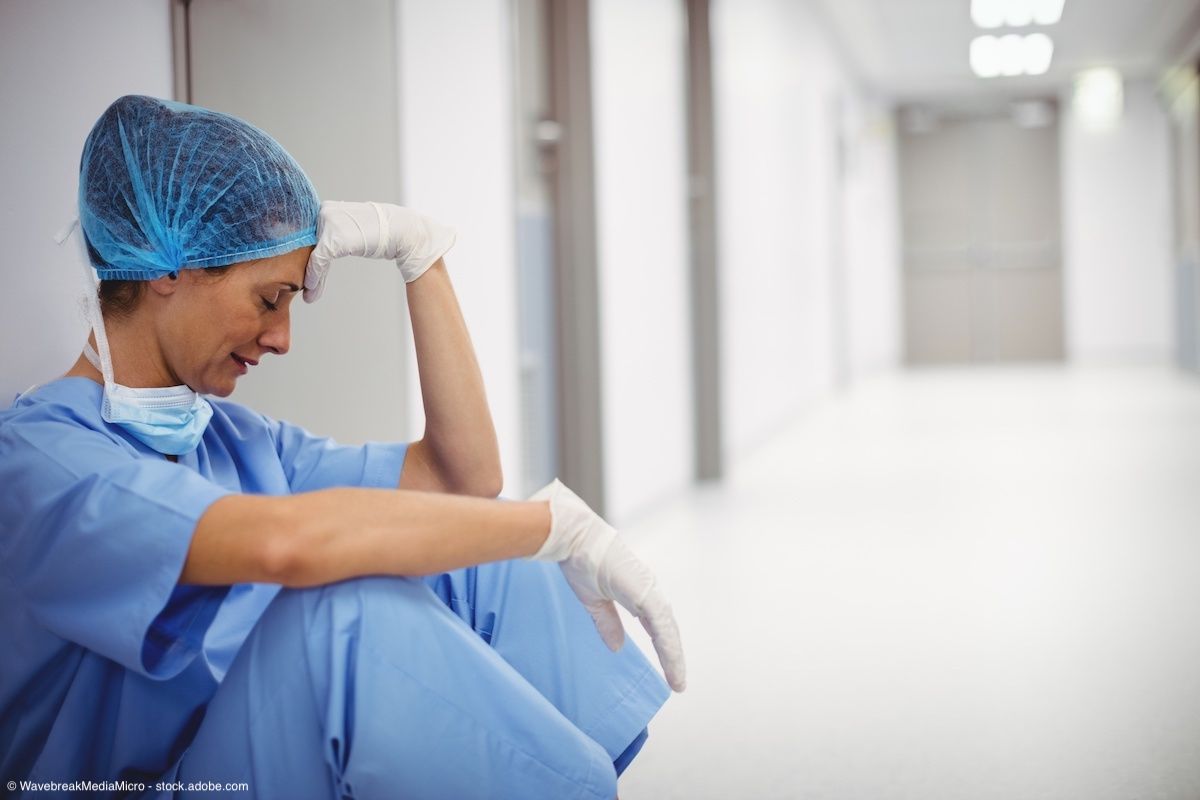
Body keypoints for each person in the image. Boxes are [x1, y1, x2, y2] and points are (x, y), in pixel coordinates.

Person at [0, 95, 685, 800]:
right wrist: (551, 528)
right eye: (270, 300)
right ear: (168, 270)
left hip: (228, 768)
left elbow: (464, 479)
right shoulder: (39, 462)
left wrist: (421, 256)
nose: (282, 337)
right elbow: (287, 546)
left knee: (489, 563)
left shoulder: (231, 440)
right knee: (343, 617)